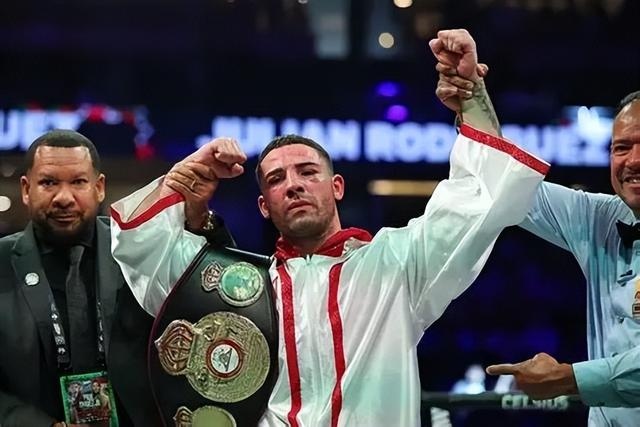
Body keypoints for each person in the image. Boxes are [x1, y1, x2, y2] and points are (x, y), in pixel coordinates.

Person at [111, 108, 549, 426]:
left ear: (336, 186)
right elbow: (143, 248)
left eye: (307, 172)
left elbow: (477, 201)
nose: (294, 185)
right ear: (264, 206)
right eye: (277, 180)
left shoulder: (396, 263)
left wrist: (472, 97)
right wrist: (186, 175)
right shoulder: (241, 288)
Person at [430, 28, 640, 425]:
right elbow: (509, 185)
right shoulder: (601, 218)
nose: (632, 161)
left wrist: (567, 378)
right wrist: (472, 95)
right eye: (621, 147)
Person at [0, 129, 234, 426]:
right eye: (48, 182)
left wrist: (199, 219)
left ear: (99, 187)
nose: (64, 197)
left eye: (78, 182)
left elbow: (218, 296)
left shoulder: (137, 249)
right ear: (25, 189)